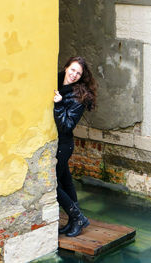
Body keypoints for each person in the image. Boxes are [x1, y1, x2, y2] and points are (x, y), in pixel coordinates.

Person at [53, 56, 97, 237]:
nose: (74, 75)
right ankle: (73, 220)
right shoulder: (54, 80)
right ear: (65, 67)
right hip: (58, 142)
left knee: (53, 185)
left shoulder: (79, 96)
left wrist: (58, 104)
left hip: (64, 144)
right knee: (66, 182)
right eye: (72, 70)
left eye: (78, 73)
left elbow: (67, 125)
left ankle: (78, 217)